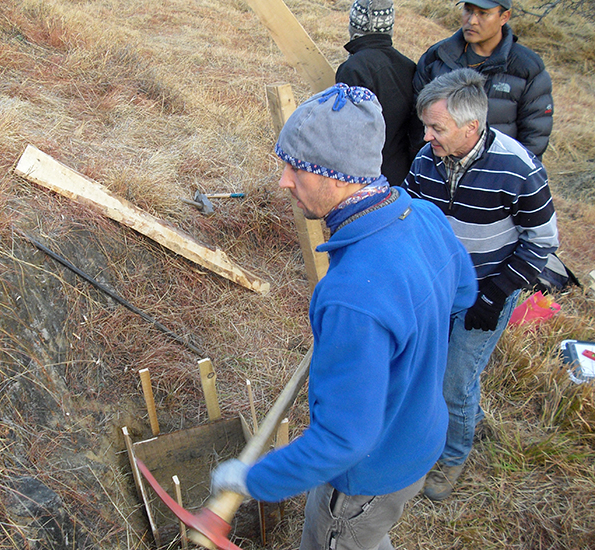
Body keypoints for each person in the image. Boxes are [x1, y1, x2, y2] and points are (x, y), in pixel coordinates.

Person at [211, 83, 477, 550]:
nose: (284, 181)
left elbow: (342, 441)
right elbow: (463, 293)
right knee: (372, 537)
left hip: (368, 475)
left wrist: (253, 479)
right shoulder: (424, 216)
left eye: (297, 167)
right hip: (420, 434)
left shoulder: (352, 297)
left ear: (336, 175)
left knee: (344, 537)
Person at [404, 68, 559, 501]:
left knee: (455, 380)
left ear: (471, 127)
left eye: (437, 128)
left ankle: (452, 457)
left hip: (487, 293)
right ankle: (461, 418)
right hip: (435, 289)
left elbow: (542, 242)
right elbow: (411, 215)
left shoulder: (518, 168)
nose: (428, 136)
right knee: (433, 370)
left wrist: (494, 294)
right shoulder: (426, 159)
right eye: (426, 127)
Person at [412, 0, 553, 159]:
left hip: (496, 173)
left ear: (504, 17)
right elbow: (417, 121)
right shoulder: (438, 57)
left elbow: (535, 135)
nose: (472, 20)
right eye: (468, 10)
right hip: (439, 170)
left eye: (483, 13)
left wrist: (510, 175)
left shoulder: (526, 68)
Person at [335, 0, 417, 187]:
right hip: (403, 174)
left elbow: (347, 133)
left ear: (355, 25)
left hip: (368, 178)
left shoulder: (354, 68)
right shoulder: (408, 65)